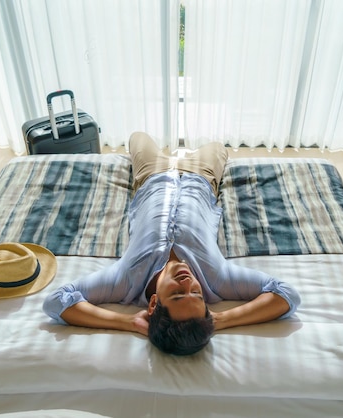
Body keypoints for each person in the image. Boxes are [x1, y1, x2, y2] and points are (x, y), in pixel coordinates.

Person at [43, 132, 300, 355]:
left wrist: (129, 322)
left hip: (151, 178)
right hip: (201, 178)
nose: (188, 283)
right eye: (197, 295)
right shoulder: (219, 279)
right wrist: (218, 320)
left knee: (137, 137)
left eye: (177, 293)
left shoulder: (125, 281)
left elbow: (56, 300)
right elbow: (286, 294)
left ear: (153, 303)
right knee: (217, 146)